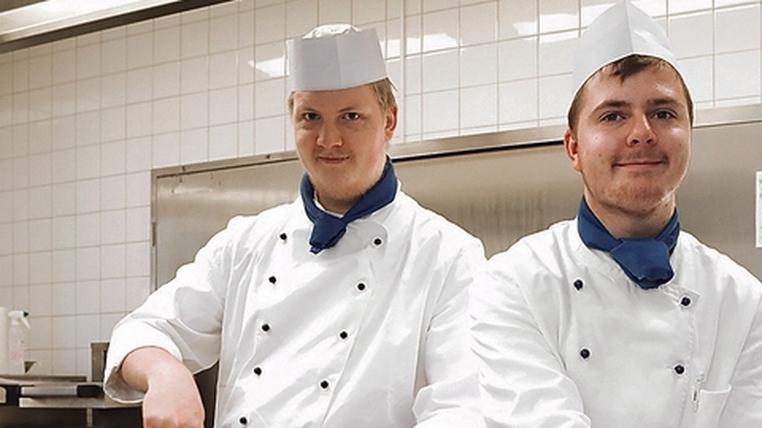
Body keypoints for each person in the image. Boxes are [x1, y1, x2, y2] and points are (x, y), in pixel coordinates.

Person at [105, 25, 485, 428]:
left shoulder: (448, 256)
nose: (328, 140)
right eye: (311, 117)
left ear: (389, 121)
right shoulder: (244, 244)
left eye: (351, 117)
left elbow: (462, 408)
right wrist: (165, 372)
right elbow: (144, 329)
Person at [471, 3, 762, 427]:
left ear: (689, 135)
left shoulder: (742, 300)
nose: (642, 133)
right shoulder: (515, 283)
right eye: (613, 115)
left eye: (663, 113)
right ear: (573, 148)